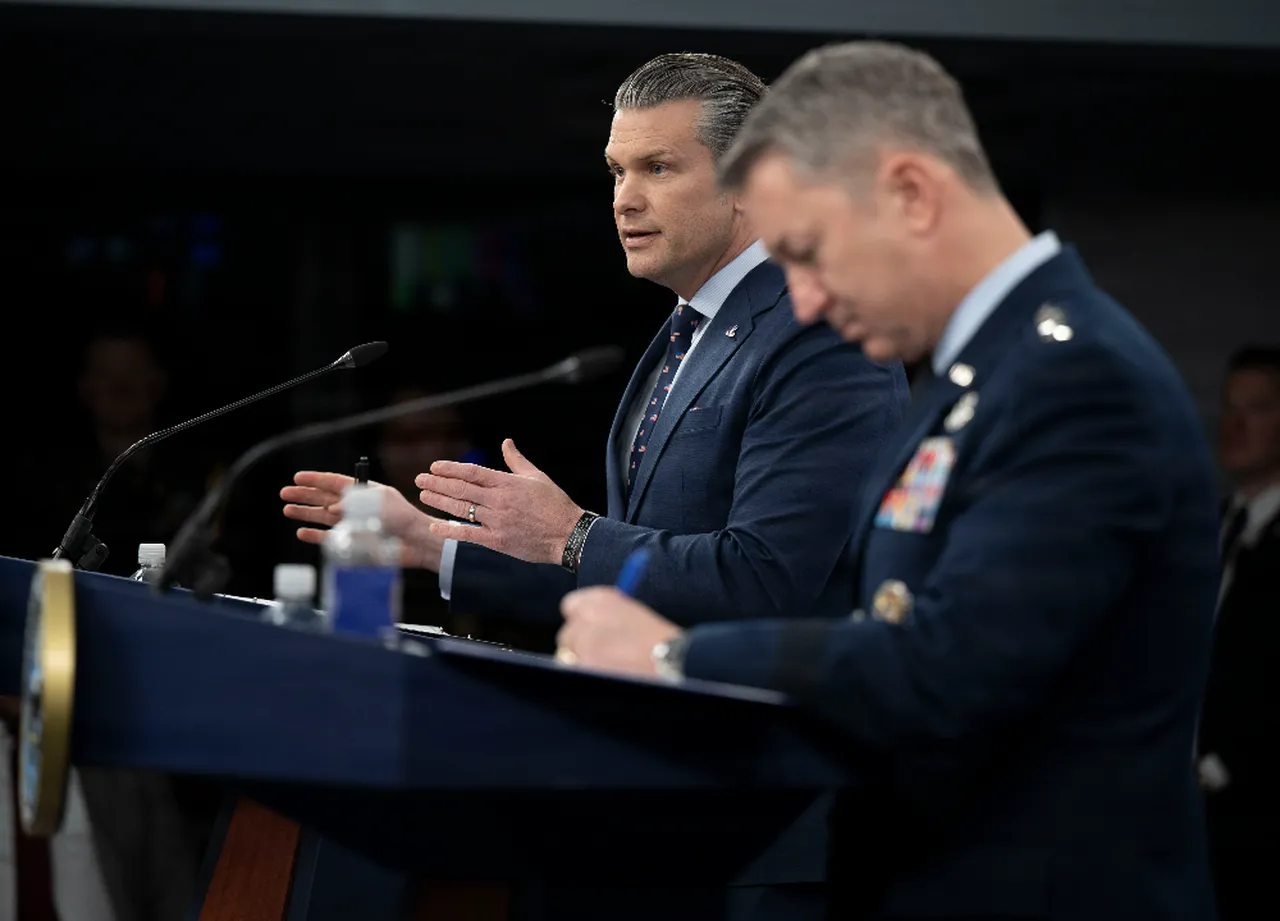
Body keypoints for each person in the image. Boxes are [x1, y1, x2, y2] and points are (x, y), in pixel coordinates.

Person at [557, 41, 1221, 921]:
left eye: (810, 250)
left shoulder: (1075, 381)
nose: (803, 300)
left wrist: (670, 657)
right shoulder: (981, 374)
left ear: (910, 193)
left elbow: (951, 667)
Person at [282, 53, 906, 632]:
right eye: (617, 172)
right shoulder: (687, 330)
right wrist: (429, 542)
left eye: (658, 168)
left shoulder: (824, 334)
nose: (624, 201)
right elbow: (629, 580)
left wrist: (573, 534)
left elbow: (766, 580)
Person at [1197, 346, 1280, 920]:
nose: (1235, 424)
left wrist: (1220, 765)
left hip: (1259, 819)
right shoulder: (1214, 525)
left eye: (1258, 409)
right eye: (1230, 407)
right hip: (1189, 810)